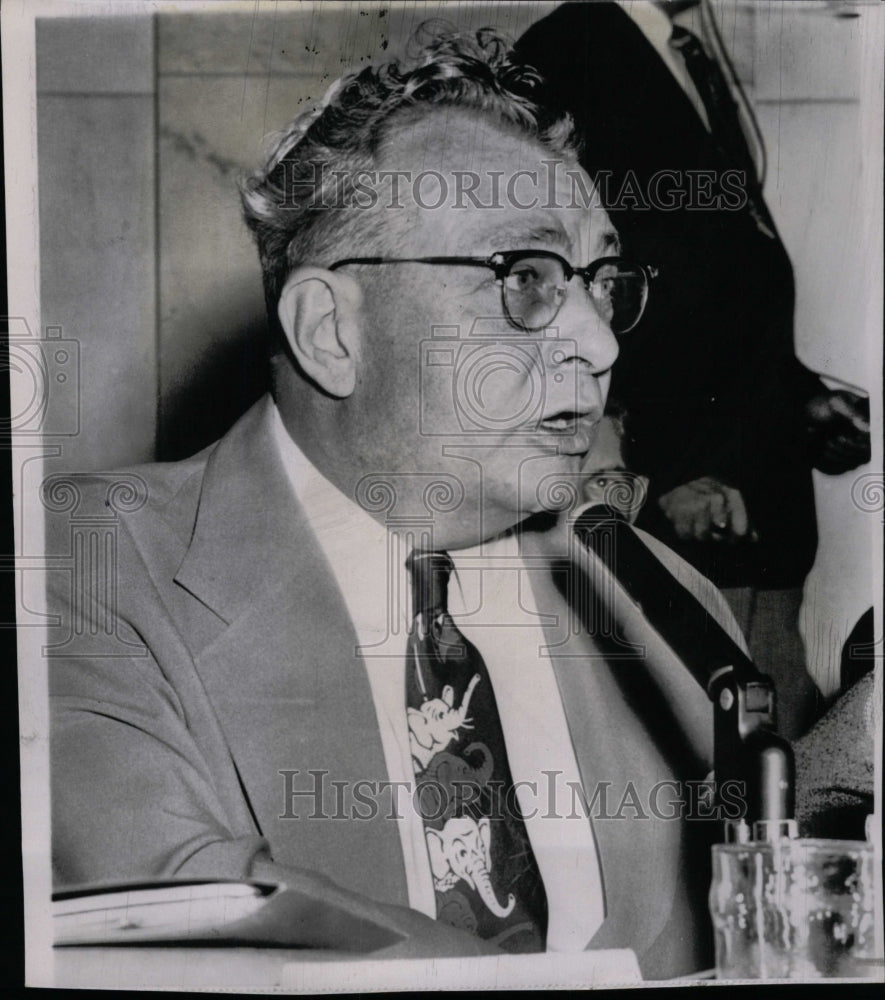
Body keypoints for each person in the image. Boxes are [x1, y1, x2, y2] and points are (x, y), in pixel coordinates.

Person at [44, 25, 859, 978]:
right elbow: (182, 907)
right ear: (330, 331)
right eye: (526, 280)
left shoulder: (662, 605)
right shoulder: (87, 567)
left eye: (600, 281)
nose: (599, 343)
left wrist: (837, 786)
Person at [516, 0, 872, 741]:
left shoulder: (675, 53)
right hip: (685, 531)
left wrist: (799, 401)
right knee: (732, 794)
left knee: (783, 791)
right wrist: (648, 475)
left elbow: (714, 290)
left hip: (756, 529)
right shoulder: (575, 43)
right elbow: (560, 292)